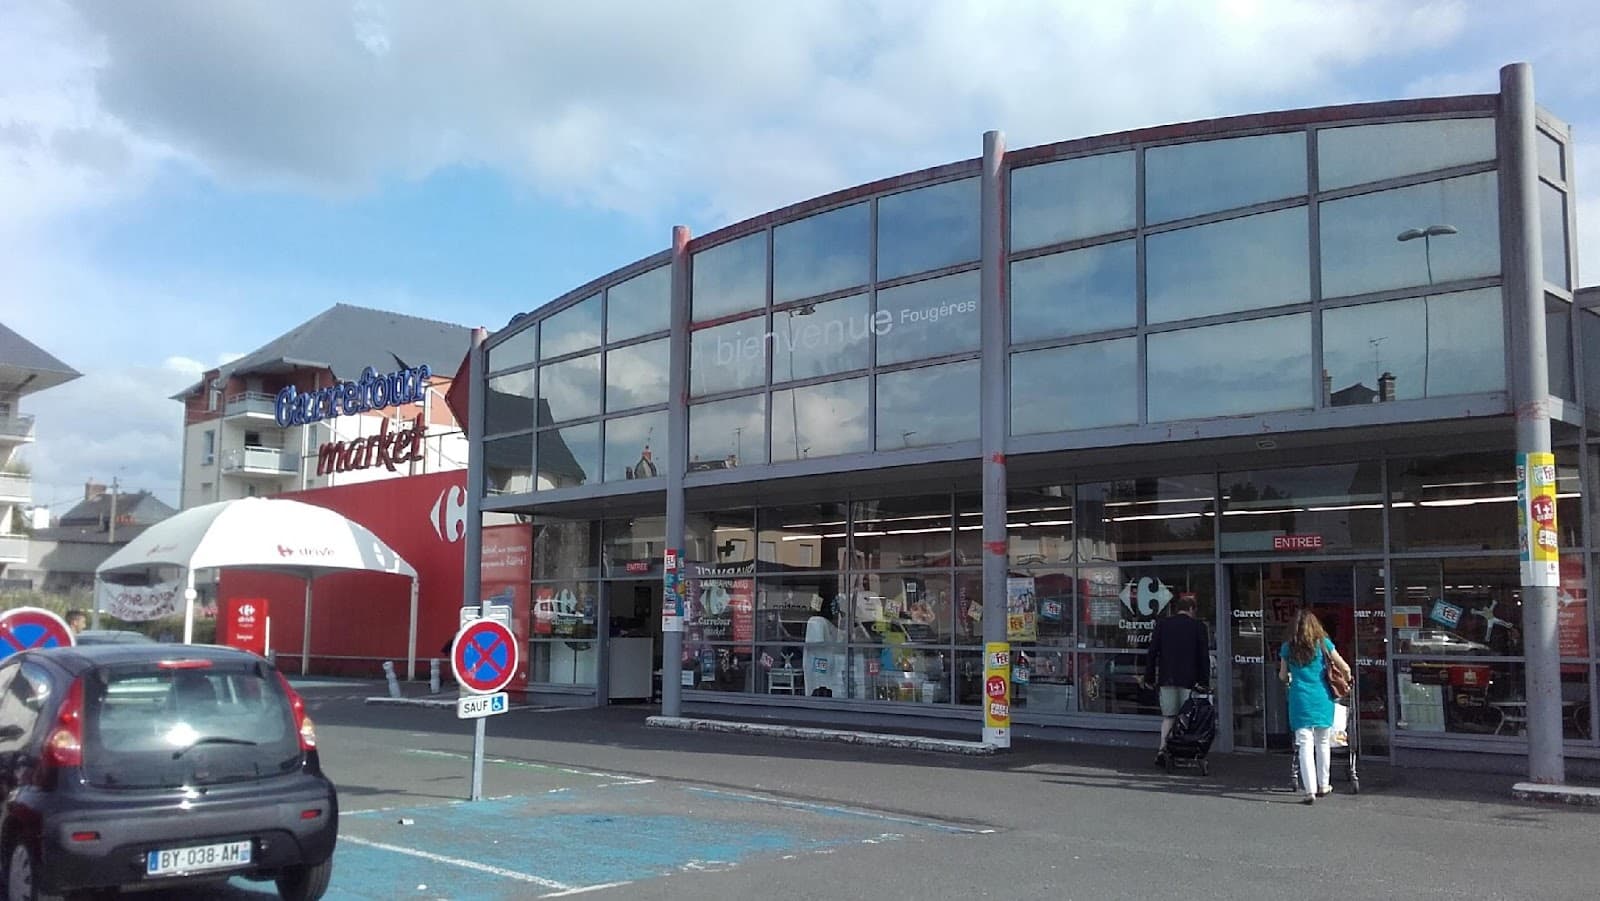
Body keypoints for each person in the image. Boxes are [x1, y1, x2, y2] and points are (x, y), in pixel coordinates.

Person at [1278, 608, 1353, 805]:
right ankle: (1324, 784)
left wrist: (1291, 677)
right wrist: (1347, 679)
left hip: (1299, 699)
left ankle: (1309, 790)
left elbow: (1282, 675)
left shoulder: (1288, 648)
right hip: (1322, 698)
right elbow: (1344, 666)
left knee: (1304, 744)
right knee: (1322, 742)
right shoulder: (1323, 644)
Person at [1141, 594, 1209, 765]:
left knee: (1169, 716)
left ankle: (1162, 749)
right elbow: (1203, 656)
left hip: (1167, 678)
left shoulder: (1163, 625)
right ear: (1192, 609)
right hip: (1189, 679)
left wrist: (1149, 677)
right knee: (1186, 717)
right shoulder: (1198, 627)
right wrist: (1204, 681)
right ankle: (1183, 752)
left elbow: (1152, 653)